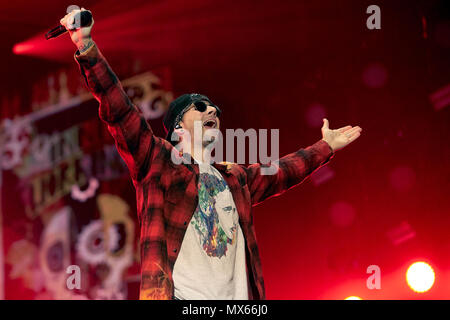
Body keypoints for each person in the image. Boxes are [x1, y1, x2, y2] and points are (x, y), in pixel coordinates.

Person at [60, 8, 362, 300]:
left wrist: (325, 147)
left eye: (214, 109)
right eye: (201, 108)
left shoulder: (235, 177)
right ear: (178, 128)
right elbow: (119, 110)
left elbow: (282, 171)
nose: (212, 111)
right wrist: (86, 46)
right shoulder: (158, 162)